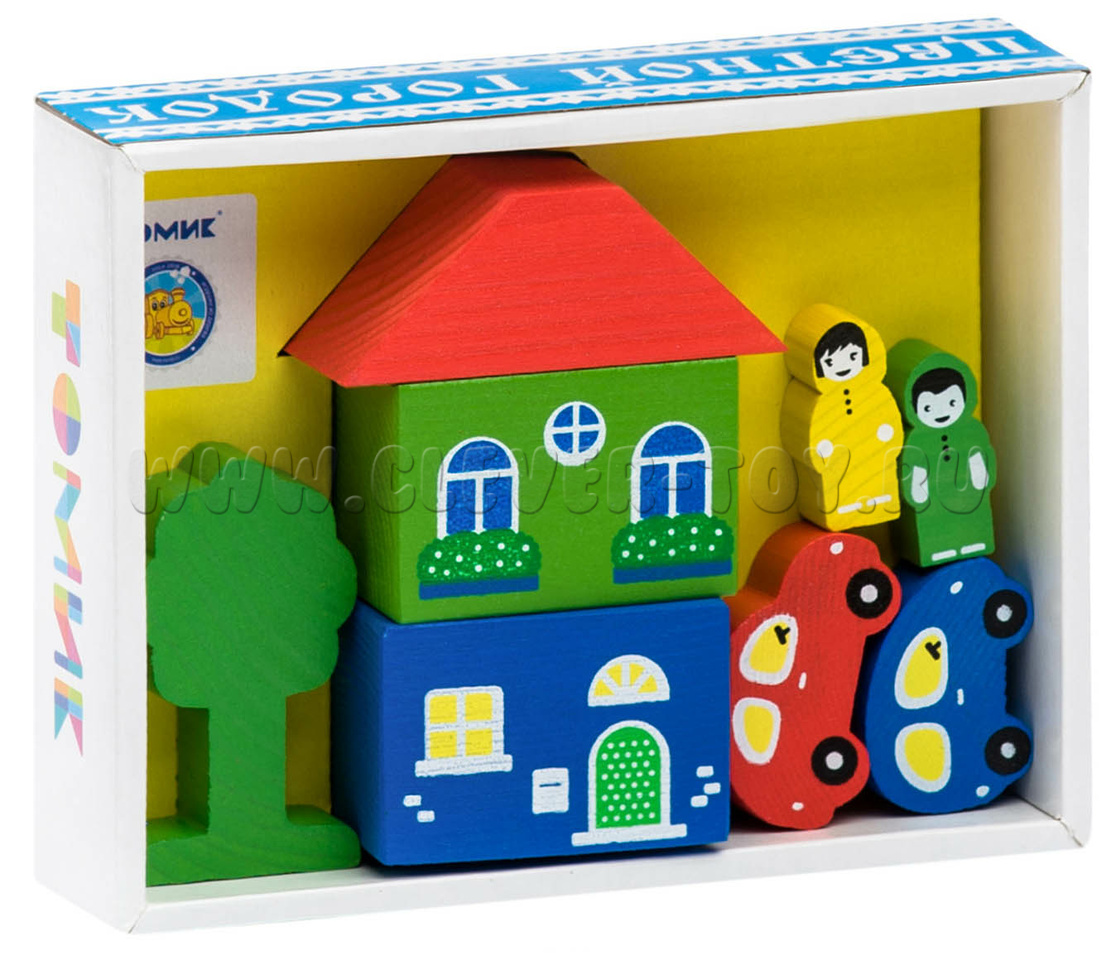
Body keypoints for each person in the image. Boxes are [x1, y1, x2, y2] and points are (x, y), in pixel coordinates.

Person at [781, 305, 903, 531]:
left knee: (873, 481)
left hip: (873, 456)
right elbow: (799, 437)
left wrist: (887, 435)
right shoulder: (814, 401)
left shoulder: (876, 392)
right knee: (842, 486)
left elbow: (891, 424)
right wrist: (821, 451)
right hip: (834, 469)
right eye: (830, 362)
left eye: (852, 356)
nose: (844, 367)